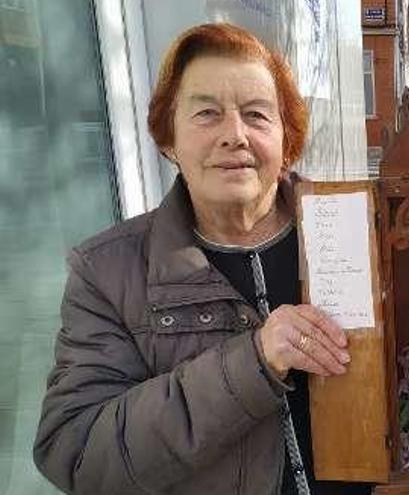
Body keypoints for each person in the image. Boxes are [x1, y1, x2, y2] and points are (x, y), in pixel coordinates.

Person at [33, 23, 368, 494]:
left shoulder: (357, 231)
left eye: (256, 114)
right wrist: (253, 363)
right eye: (207, 113)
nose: (235, 135)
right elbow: (79, 451)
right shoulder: (108, 272)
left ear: (287, 139)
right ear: (168, 138)